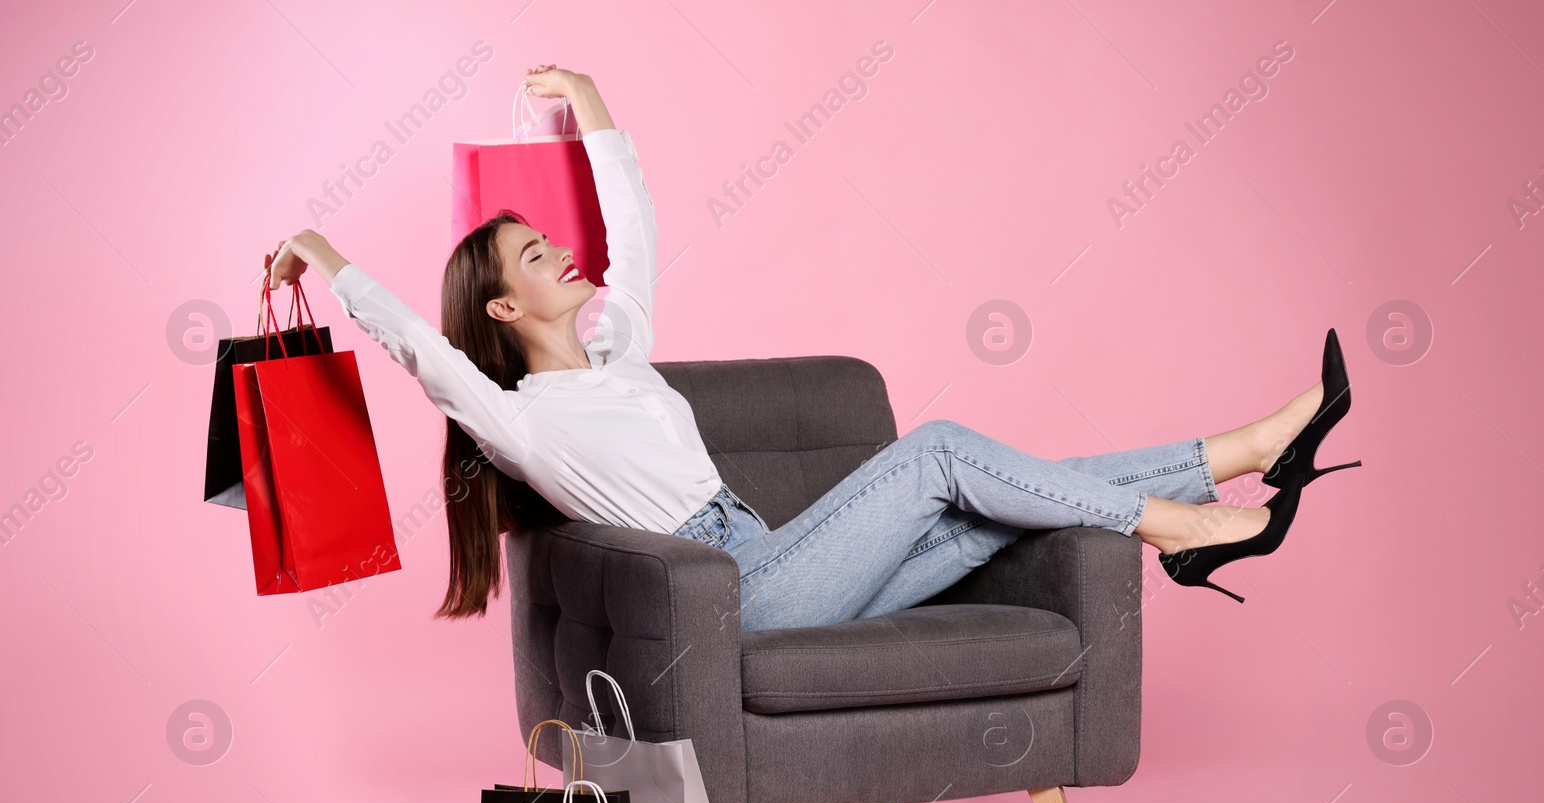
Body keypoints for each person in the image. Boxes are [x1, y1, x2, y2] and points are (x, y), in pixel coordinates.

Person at [268, 65, 1361, 631]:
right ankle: (1179, 527)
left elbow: (634, 231)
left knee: (1005, 492)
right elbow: (426, 356)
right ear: (502, 311)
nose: (558, 250)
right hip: (735, 594)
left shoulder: (616, 355)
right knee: (936, 449)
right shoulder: (520, 424)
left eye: (549, 237)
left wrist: (595, 111)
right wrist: (329, 258)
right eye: (532, 252)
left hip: (778, 556)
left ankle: (1246, 448)